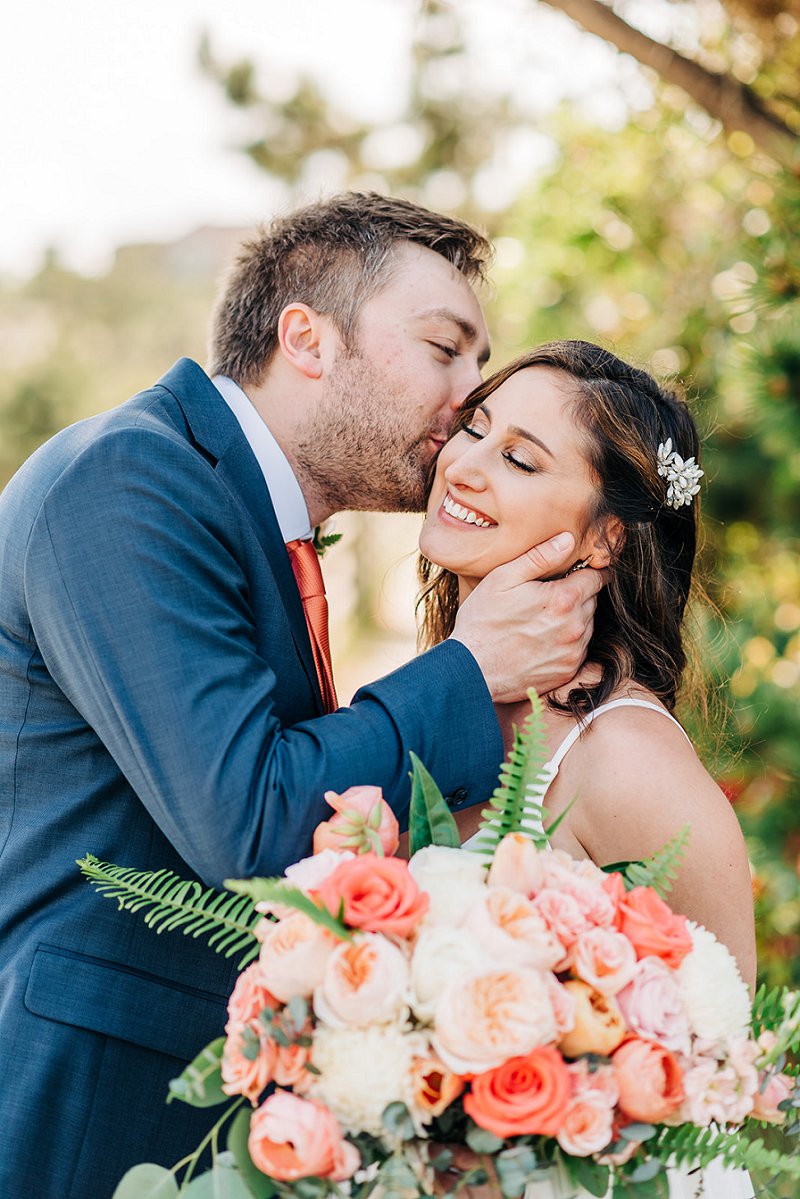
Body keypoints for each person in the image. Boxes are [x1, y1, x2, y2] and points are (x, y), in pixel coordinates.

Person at [0, 196, 602, 1199]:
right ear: (306, 338)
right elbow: (246, 819)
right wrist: (470, 665)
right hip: (84, 1104)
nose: (467, 398)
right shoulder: (128, 478)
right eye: (445, 348)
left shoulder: (242, 515)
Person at [418, 340, 756, 1199]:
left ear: (607, 534)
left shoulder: (628, 761)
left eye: (521, 459)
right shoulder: (439, 694)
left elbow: (716, 1092)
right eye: (475, 431)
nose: (465, 466)